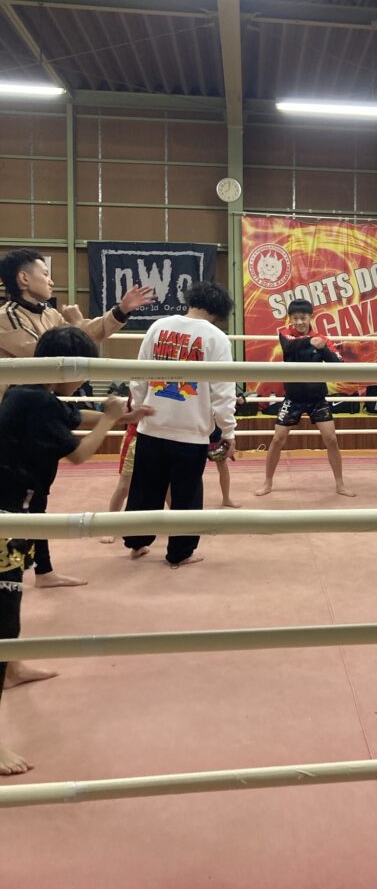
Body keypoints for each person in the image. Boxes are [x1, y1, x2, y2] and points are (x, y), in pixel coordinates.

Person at [0, 326, 151, 776]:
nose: (83, 381)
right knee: (3, 616)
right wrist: (109, 420)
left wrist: (121, 415)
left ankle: (12, 667)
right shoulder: (34, 399)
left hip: (15, 512)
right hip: (4, 516)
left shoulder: (30, 392)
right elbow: (81, 454)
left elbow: (71, 416)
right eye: (81, 371)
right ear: (65, 367)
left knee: (10, 605)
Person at [0, 247, 154, 588]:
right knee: (15, 509)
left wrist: (119, 311)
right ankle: (11, 583)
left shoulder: (49, 316)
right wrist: (109, 418)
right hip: (16, 423)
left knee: (36, 498)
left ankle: (42, 572)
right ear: (23, 278)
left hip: (38, 413)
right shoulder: (8, 317)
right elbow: (54, 350)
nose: (51, 280)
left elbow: (78, 341)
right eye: (44, 273)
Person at [122, 281, 237, 567]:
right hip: (190, 432)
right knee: (186, 494)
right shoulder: (216, 337)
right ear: (218, 311)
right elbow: (223, 391)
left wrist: (138, 409)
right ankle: (180, 553)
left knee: (145, 489)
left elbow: (138, 375)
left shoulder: (158, 326)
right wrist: (228, 430)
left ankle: (136, 543)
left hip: (152, 424)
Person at [255, 299, 355, 498]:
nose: (299, 322)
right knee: (277, 439)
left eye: (303, 318)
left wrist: (322, 348)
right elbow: (288, 347)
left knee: (331, 439)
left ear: (310, 317)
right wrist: (310, 342)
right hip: (293, 397)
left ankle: (340, 484)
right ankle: (267, 483)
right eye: (295, 318)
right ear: (290, 319)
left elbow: (338, 365)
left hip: (317, 397)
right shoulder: (285, 334)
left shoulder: (321, 339)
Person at [208, 424, 239, 508]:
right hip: (197, 432)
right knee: (194, 466)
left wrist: (228, 435)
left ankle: (226, 499)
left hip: (214, 432)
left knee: (222, 465)